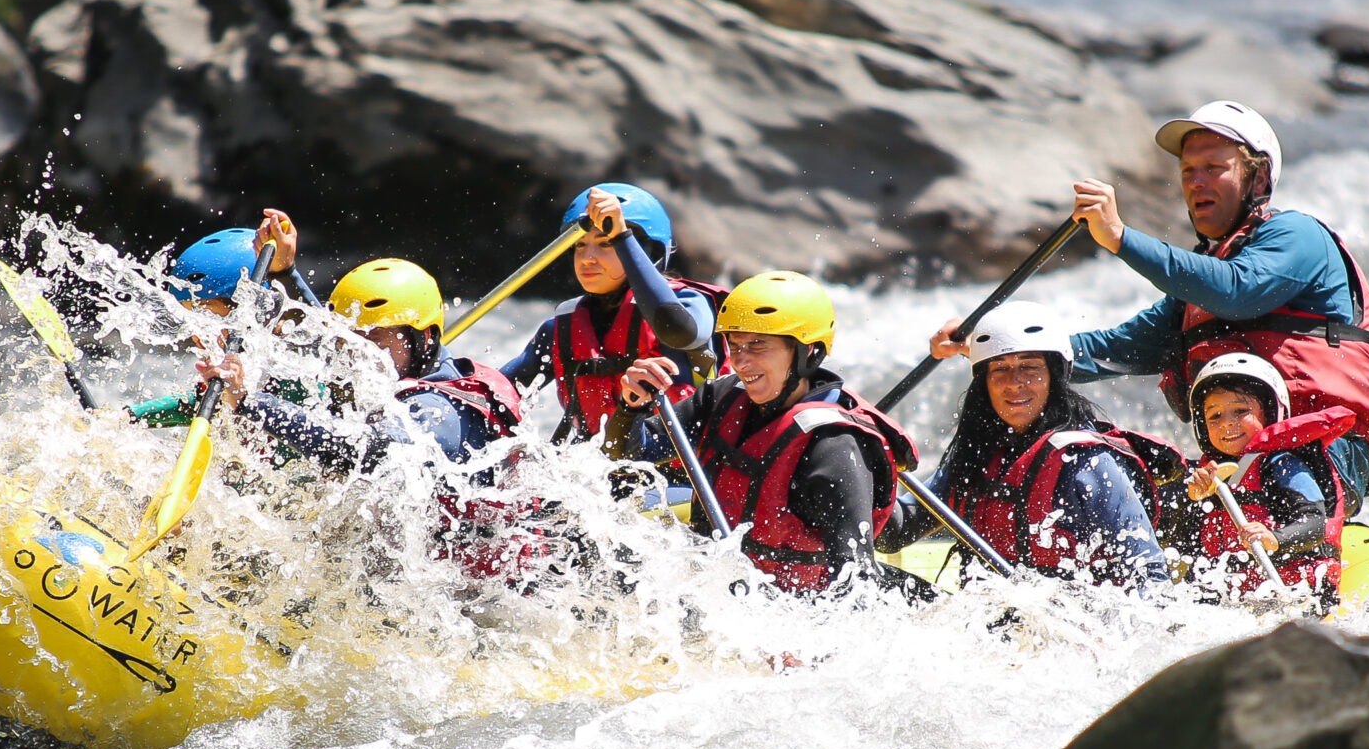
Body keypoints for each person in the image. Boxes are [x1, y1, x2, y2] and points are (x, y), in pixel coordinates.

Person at [926, 101, 1369, 508]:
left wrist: (1118, 238)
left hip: (1322, 450)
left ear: (1258, 178)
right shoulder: (1195, 292)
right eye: (1187, 171)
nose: (1196, 182)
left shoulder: (1298, 236)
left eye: (1214, 168)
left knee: (1275, 474)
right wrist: (989, 347)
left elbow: (1237, 291)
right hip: (1235, 460)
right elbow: (1108, 349)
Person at [608, 271, 919, 596]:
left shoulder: (836, 446)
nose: (741, 361)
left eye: (758, 345)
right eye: (735, 344)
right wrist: (631, 407)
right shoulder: (720, 398)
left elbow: (855, 580)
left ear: (808, 351)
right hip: (711, 594)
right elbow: (624, 460)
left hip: (792, 614)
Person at [879, 310, 1174, 594]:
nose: (1014, 382)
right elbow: (894, 532)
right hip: (987, 620)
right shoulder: (976, 455)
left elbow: (1149, 574)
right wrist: (867, 466)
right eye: (1000, 369)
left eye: (1030, 367)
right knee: (868, 575)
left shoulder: (1087, 461)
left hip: (1071, 623)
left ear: (1054, 376)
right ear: (984, 383)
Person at [197, 249, 525, 478]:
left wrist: (250, 402)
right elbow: (330, 336)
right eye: (355, 339)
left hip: (468, 577)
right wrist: (287, 271)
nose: (361, 352)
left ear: (423, 339)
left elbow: (357, 453)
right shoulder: (404, 371)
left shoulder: (437, 411)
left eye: (378, 338)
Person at [496, 183, 724, 442]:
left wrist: (621, 235)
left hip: (682, 473)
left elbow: (680, 333)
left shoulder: (690, 303)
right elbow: (497, 393)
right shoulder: (561, 328)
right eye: (580, 245)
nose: (587, 258)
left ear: (650, 251)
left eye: (605, 243)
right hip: (600, 475)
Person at [1179, 352, 1348, 600]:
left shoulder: (1283, 464)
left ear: (1269, 412)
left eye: (1240, 411)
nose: (1227, 423)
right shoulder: (1209, 475)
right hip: (1233, 593)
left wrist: (1275, 538)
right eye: (1214, 416)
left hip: (1296, 590)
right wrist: (1193, 499)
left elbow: (1314, 525)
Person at [126, 208, 309, 428]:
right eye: (192, 321)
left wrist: (286, 272)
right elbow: (195, 404)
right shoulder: (236, 376)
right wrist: (126, 417)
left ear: (259, 315)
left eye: (207, 320)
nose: (197, 337)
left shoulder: (300, 376)